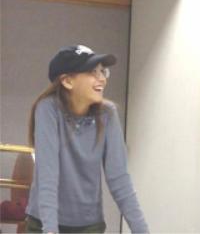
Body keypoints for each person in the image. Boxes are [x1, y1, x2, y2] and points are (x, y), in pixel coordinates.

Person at [25, 45, 149, 233]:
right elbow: (48, 176)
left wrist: (142, 230)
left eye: (103, 71)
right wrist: (50, 230)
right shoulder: (48, 110)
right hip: (44, 221)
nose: (102, 79)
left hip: (89, 225)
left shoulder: (107, 114)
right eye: (93, 72)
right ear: (67, 81)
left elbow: (119, 179)